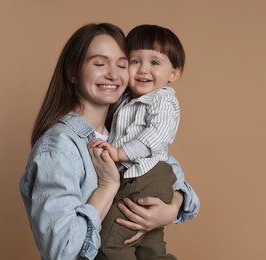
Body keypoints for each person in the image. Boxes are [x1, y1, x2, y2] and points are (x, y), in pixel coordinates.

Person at [19, 23, 199, 260]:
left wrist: (172, 207)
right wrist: (107, 187)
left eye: (122, 64)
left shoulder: (122, 133)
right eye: (99, 63)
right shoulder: (59, 148)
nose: (113, 74)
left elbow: (174, 177)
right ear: (73, 72)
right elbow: (60, 251)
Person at [89, 24, 187, 259]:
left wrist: (119, 153)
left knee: (110, 243)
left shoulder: (162, 100)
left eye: (155, 62)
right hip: (139, 176)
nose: (143, 70)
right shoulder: (125, 99)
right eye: (135, 61)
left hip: (146, 176)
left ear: (174, 73)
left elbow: (155, 135)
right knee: (149, 246)